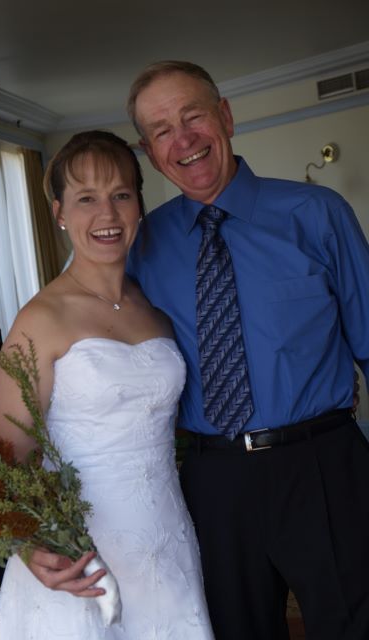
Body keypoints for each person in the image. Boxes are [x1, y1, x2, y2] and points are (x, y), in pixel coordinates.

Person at [124, 61, 369, 640]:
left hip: (323, 464)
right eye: (161, 130)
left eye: (193, 116)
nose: (183, 139)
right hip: (212, 481)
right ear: (149, 152)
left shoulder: (318, 214)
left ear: (226, 116)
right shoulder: (139, 246)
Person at [0, 130, 215, 639]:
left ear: (139, 206)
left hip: (166, 538)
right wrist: (30, 544)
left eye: (121, 195)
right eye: (86, 199)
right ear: (59, 212)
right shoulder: (39, 319)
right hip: (80, 556)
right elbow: (6, 462)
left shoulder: (156, 305)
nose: (107, 214)